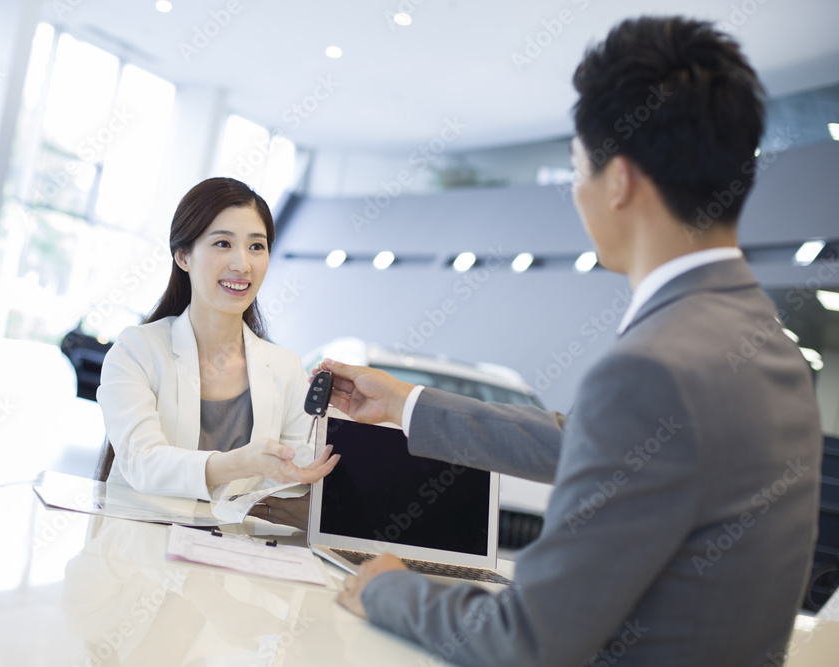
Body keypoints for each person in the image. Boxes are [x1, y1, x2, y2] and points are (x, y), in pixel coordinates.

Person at [319, 17, 823, 666]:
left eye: (576, 165)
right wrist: (407, 404)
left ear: (619, 181)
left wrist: (387, 586)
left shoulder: (654, 365)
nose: (575, 190)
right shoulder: (769, 344)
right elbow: (596, 442)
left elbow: (525, 642)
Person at [96, 177, 338, 515]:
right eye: (223, 243)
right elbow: (142, 463)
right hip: (138, 555)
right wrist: (240, 464)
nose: (242, 264)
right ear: (183, 255)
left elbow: (294, 480)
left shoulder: (285, 369)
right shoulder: (136, 351)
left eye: (257, 246)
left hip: (233, 558)